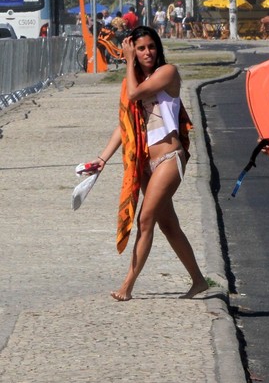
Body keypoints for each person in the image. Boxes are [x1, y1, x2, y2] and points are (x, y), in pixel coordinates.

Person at [86, 26, 209, 301]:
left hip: (168, 158)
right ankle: (199, 281)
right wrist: (102, 158)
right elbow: (125, 126)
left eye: (151, 47)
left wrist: (128, 61)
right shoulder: (136, 79)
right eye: (140, 48)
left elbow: (134, 95)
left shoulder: (168, 73)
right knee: (169, 225)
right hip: (145, 164)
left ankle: (127, 286)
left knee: (145, 220)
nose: (147, 53)